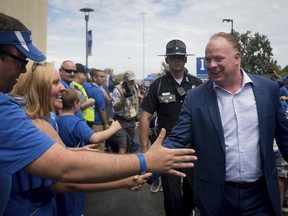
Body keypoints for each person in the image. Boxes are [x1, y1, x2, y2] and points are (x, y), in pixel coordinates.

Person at [0, 12, 197, 215]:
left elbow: (60, 171)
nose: (64, 88)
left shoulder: (37, 120)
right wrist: (145, 160)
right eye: (56, 82)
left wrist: (118, 176)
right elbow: (64, 169)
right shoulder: (16, 116)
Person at [162, 32, 288, 216]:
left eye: (218, 59)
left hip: (260, 197)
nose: (211, 65)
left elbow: (284, 137)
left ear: (237, 58)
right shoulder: (195, 98)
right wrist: (145, 166)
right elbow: (177, 140)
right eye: (208, 60)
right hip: (217, 198)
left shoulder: (268, 90)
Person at [5, 62, 151, 215]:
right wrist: (138, 167)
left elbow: (54, 155)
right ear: (37, 88)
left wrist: (76, 150)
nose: (63, 87)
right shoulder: (35, 124)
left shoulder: (44, 120)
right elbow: (63, 181)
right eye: (55, 83)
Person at [140, 39, 202, 216]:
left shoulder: (197, 84)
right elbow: (145, 117)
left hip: (193, 149)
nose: (177, 60)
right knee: (171, 194)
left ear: (185, 60)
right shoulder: (157, 85)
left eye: (181, 57)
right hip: (167, 149)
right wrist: (145, 152)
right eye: (173, 57)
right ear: (167, 60)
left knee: (194, 191)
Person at [108, 70, 140, 154]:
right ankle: (120, 166)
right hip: (120, 120)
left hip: (131, 120)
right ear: (124, 79)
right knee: (123, 144)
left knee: (130, 145)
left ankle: (126, 164)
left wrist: (136, 121)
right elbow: (115, 108)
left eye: (132, 80)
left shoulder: (135, 87)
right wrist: (123, 99)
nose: (131, 82)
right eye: (129, 80)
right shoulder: (118, 89)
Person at [86, 68, 110, 151]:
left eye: (104, 77)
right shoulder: (97, 91)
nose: (103, 79)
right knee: (99, 149)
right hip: (98, 124)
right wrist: (106, 124)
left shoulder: (87, 87)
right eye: (101, 77)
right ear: (94, 78)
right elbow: (101, 110)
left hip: (89, 123)